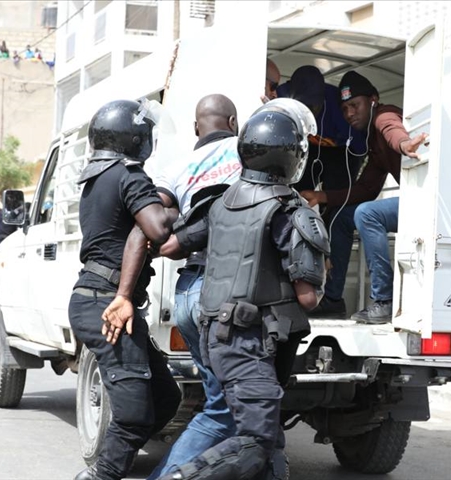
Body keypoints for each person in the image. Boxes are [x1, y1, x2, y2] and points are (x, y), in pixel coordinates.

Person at [156, 98, 328, 480]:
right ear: (292, 157)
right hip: (252, 344)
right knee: (255, 441)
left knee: (269, 443)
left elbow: (170, 246)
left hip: (216, 334)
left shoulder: (221, 202)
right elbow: (307, 298)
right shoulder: (292, 213)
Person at [68, 99, 182, 480]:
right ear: (133, 139)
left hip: (97, 298)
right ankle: (102, 474)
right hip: (108, 304)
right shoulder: (129, 175)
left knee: (166, 398)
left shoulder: (96, 176)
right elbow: (157, 230)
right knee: (134, 415)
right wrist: (175, 204)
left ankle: (116, 458)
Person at [144, 93, 241, 480]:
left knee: (233, 406)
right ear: (234, 123)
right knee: (224, 408)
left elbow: (159, 224)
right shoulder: (248, 151)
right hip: (226, 291)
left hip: (188, 293)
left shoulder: (176, 167)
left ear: (196, 128)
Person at [300, 71, 427, 322]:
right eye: (345, 108)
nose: (350, 113)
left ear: (373, 100)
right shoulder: (373, 142)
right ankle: (333, 299)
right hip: (415, 203)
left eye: (355, 105)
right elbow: (365, 189)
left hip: (431, 202)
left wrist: (404, 144)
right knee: (344, 217)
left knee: (367, 213)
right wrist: (322, 196)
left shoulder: (383, 115)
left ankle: (384, 300)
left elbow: (392, 128)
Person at [276, 65, 366, 193]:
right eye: (304, 105)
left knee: (337, 192)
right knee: (296, 190)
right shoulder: (281, 97)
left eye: (313, 106)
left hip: (340, 152)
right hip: (305, 149)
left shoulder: (339, 106)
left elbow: (359, 150)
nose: (309, 112)